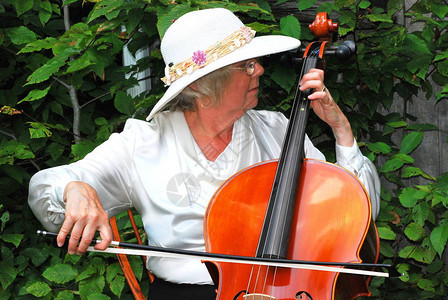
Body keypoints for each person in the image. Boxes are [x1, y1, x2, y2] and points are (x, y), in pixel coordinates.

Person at [28, 7, 380, 300]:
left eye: (254, 60)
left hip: (283, 289)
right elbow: (48, 188)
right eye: (245, 65)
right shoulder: (142, 144)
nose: (259, 69)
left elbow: (357, 215)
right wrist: (75, 189)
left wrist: (341, 130)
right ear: (199, 85)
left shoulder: (277, 130)